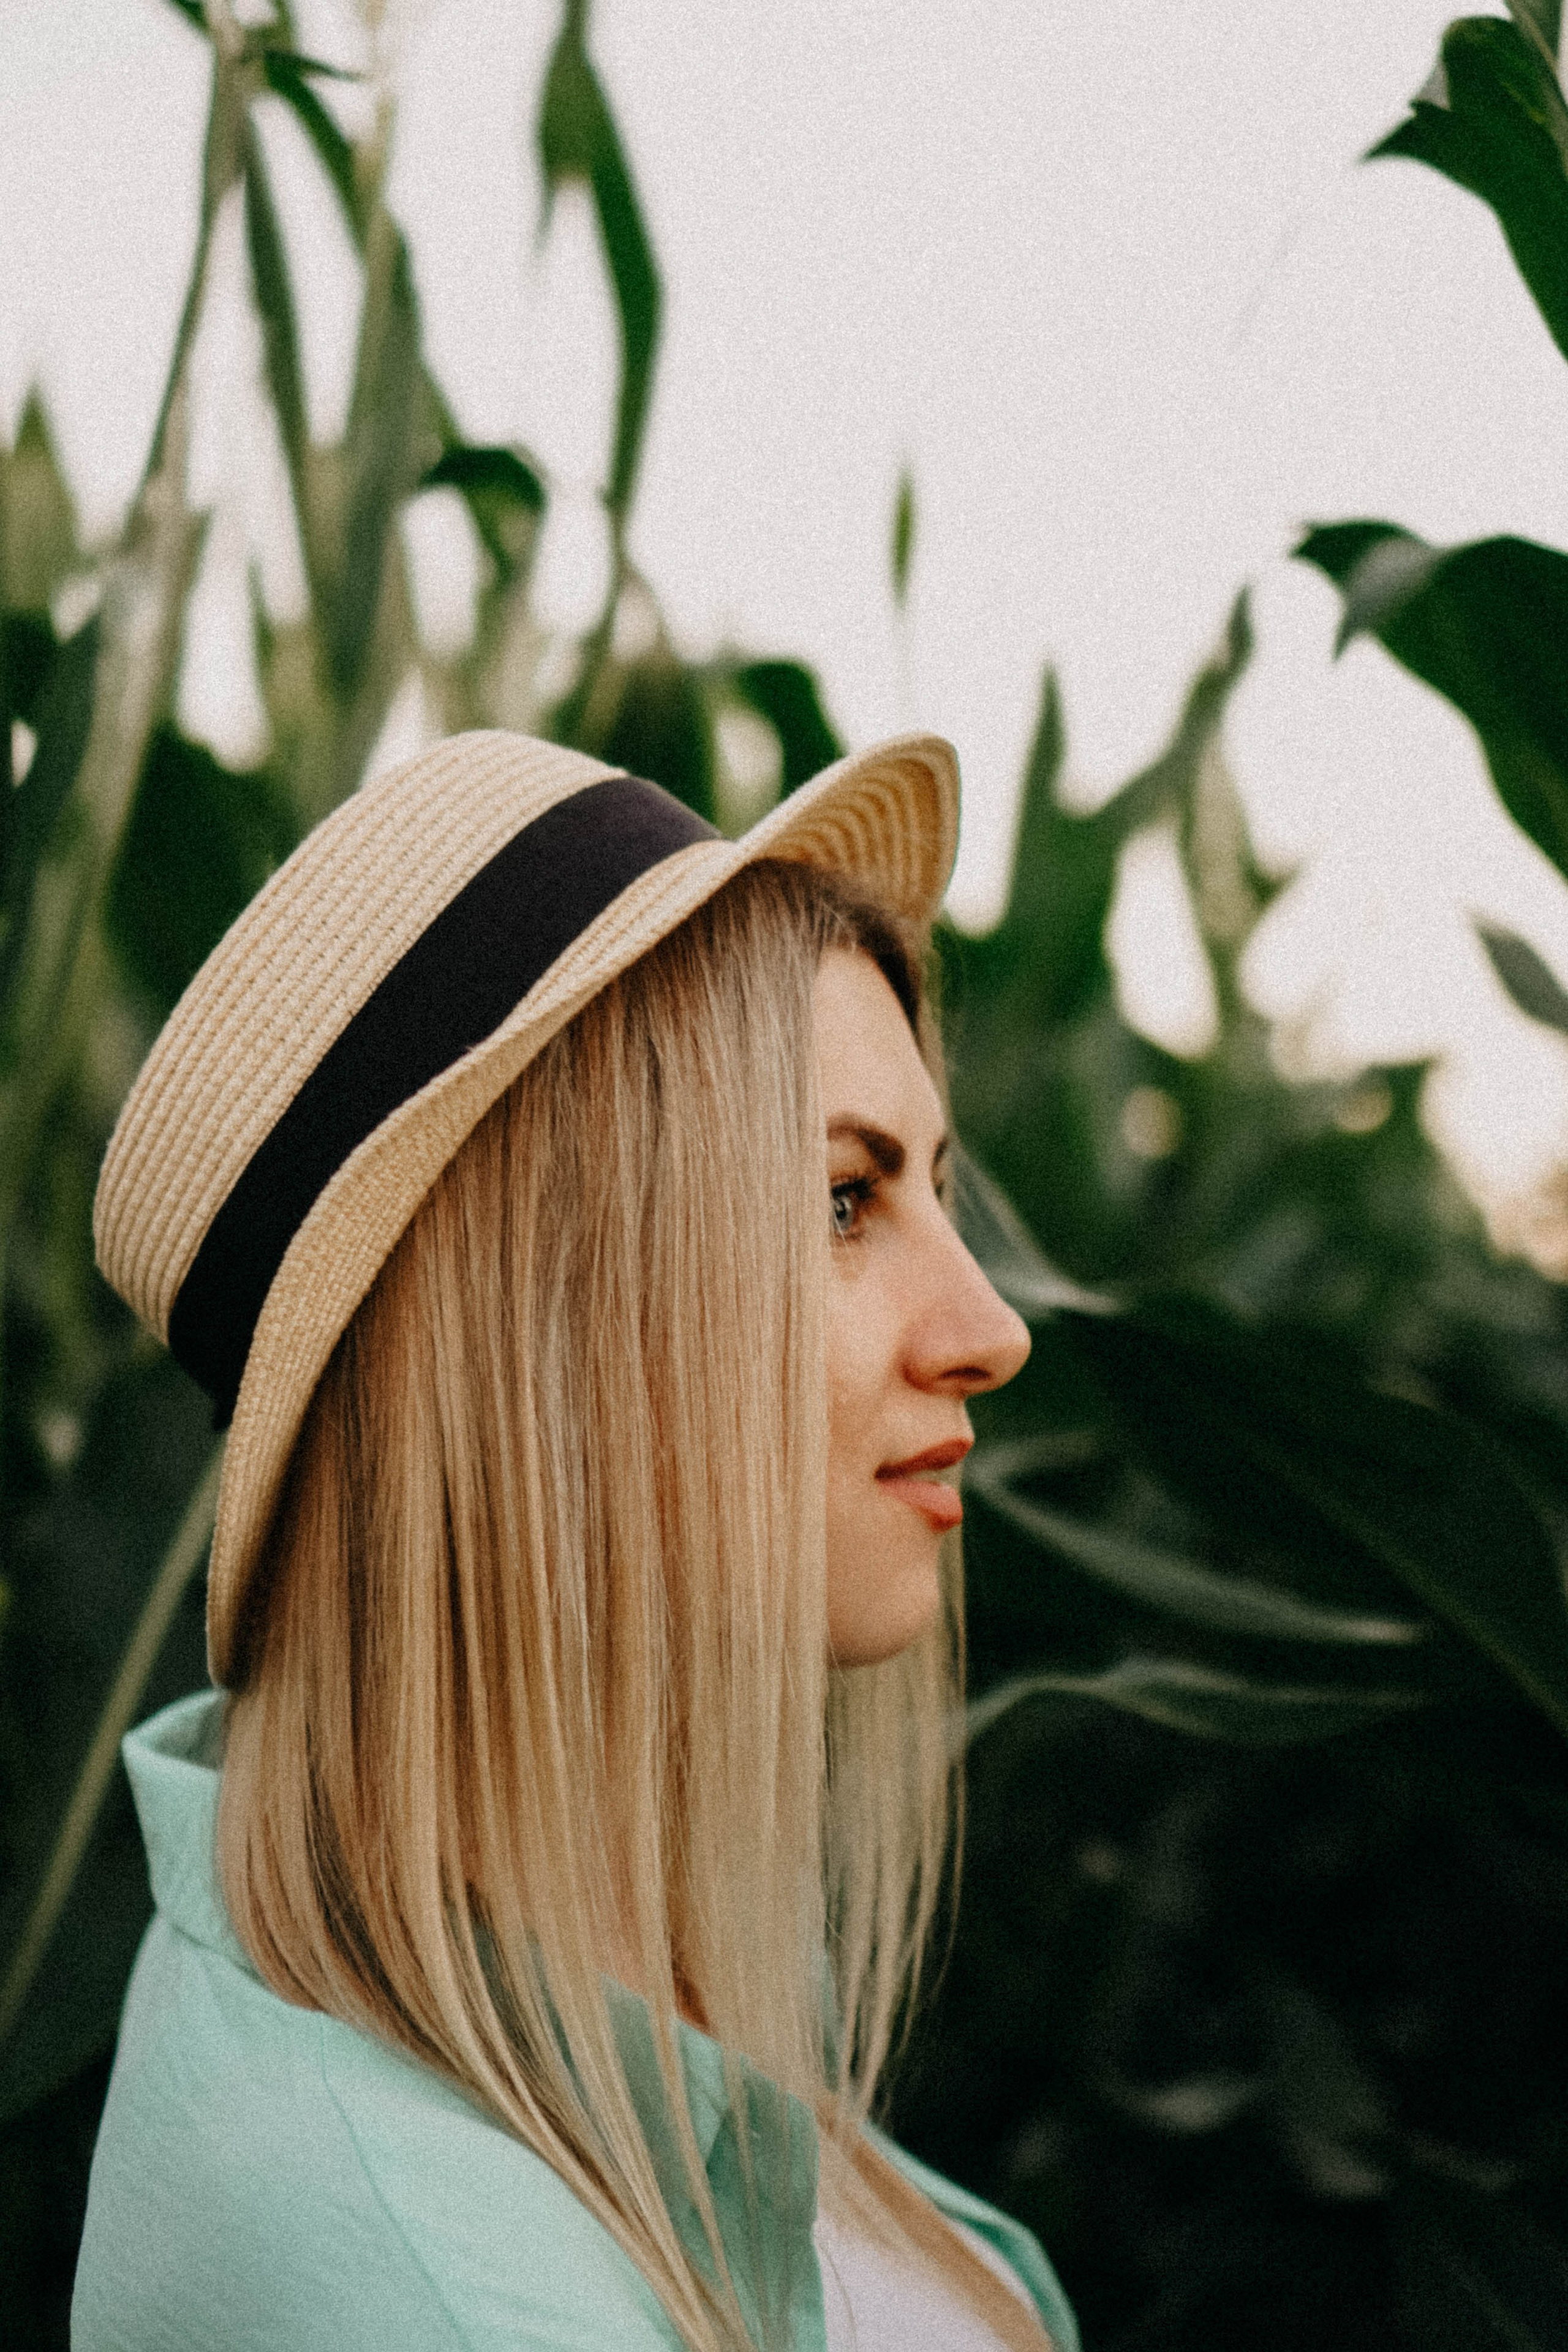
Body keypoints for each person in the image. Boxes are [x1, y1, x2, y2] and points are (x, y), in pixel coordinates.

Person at [75, 729, 1079, 2352]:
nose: (986, 1327)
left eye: (938, 1193)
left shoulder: (619, 2009)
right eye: (843, 1202)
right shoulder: (426, 2294)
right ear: (529, 1325)